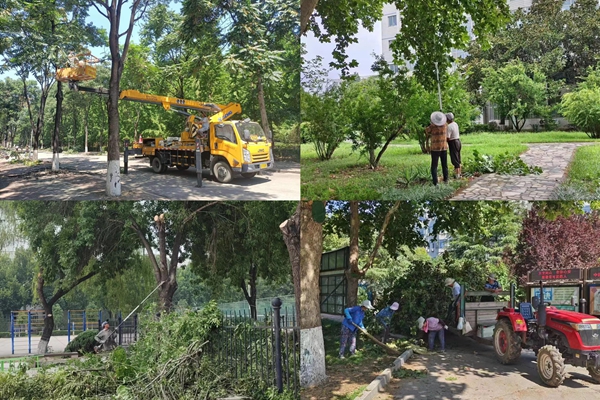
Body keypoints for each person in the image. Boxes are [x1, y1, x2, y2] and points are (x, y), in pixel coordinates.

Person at [425, 111, 449, 186]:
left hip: (435, 149)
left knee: (434, 166)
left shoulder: (432, 126)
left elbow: (426, 131)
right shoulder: (445, 125)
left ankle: (435, 182)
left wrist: (431, 124)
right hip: (444, 147)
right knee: (444, 165)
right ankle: (446, 180)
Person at [446, 112, 462, 178]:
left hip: (453, 143)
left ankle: (457, 175)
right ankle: (460, 173)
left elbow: (448, 137)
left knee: (455, 159)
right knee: (458, 158)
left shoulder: (449, 126)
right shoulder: (455, 124)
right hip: (458, 141)